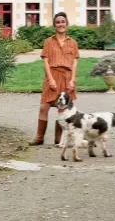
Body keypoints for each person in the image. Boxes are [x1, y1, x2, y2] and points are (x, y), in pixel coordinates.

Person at [29, 12, 79, 146]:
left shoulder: (73, 43)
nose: (61, 24)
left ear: (67, 24)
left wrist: (72, 80)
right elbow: (45, 61)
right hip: (52, 75)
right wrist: (50, 79)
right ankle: (39, 137)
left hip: (67, 77)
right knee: (44, 107)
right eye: (58, 22)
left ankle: (59, 139)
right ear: (54, 25)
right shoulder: (48, 42)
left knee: (62, 108)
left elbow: (74, 62)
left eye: (63, 21)